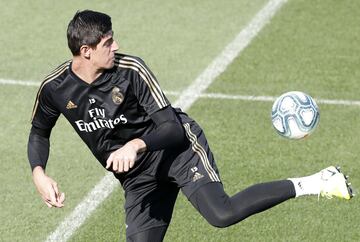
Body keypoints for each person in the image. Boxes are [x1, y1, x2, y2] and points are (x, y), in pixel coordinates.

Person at [28, 10, 354, 242]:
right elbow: (39, 131)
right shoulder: (55, 88)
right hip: (138, 177)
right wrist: (38, 172)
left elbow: (170, 127)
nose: (116, 46)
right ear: (86, 51)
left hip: (177, 150)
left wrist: (137, 145)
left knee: (221, 214)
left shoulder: (131, 70)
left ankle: (318, 181)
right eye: (108, 42)